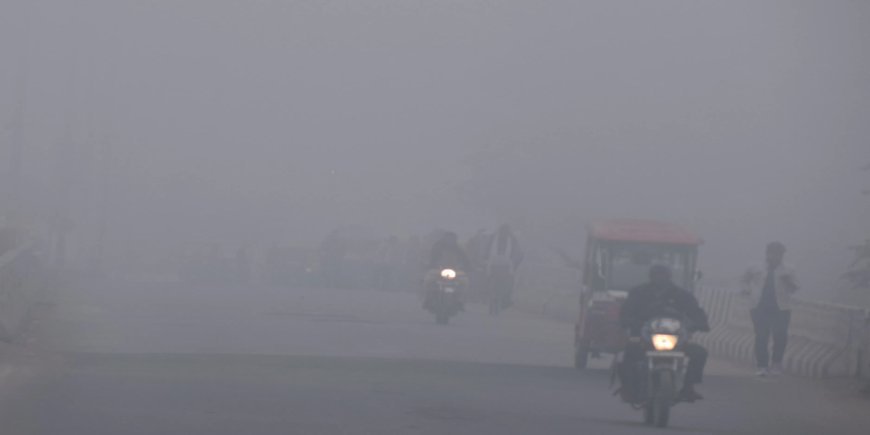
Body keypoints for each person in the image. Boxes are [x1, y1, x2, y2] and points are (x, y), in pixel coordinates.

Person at [619, 265, 710, 402]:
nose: (660, 278)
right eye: (656, 275)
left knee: (700, 353)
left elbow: (696, 313)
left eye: (663, 275)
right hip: (643, 339)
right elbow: (625, 313)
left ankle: (688, 387)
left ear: (669, 277)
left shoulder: (682, 295)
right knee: (628, 353)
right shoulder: (638, 293)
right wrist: (629, 321)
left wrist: (699, 323)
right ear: (651, 276)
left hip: (676, 341)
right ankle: (628, 388)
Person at [741, 242, 799, 376]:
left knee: (780, 335)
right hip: (759, 307)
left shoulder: (788, 270)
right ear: (768, 254)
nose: (777, 257)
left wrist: (788, 281)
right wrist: (748, 290)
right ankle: (762, 366)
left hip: (781, 308)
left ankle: (776, 364)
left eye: (780, 254)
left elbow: (795, 288)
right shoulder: (755, 267)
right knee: (761, 336)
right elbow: (743, 280)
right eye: (774, 253)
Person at [484, 224, 523, 309]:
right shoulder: (493, 238)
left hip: (506, 265)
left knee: (509, 283)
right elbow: (486, 249)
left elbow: (517, 252)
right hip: (494, 264)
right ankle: (486, 294)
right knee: (488, 279)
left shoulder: (512, 240)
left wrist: (516, 262)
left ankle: (506, 298)